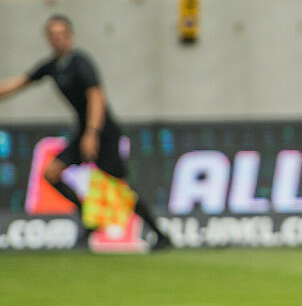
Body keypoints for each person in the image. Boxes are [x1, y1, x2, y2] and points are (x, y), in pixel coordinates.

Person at [0, 15, 173, 249]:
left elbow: (96, 97)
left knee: (120, 188)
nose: (58, 40)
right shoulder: (52, 66)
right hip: (84, 130)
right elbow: (21, 82)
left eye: (62, 35)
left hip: (103, 130)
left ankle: (160, 234)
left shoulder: (80, 62)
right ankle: (89, 217)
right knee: (52, 173)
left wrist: (92, 133)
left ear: (70, 37)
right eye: (53, 35)